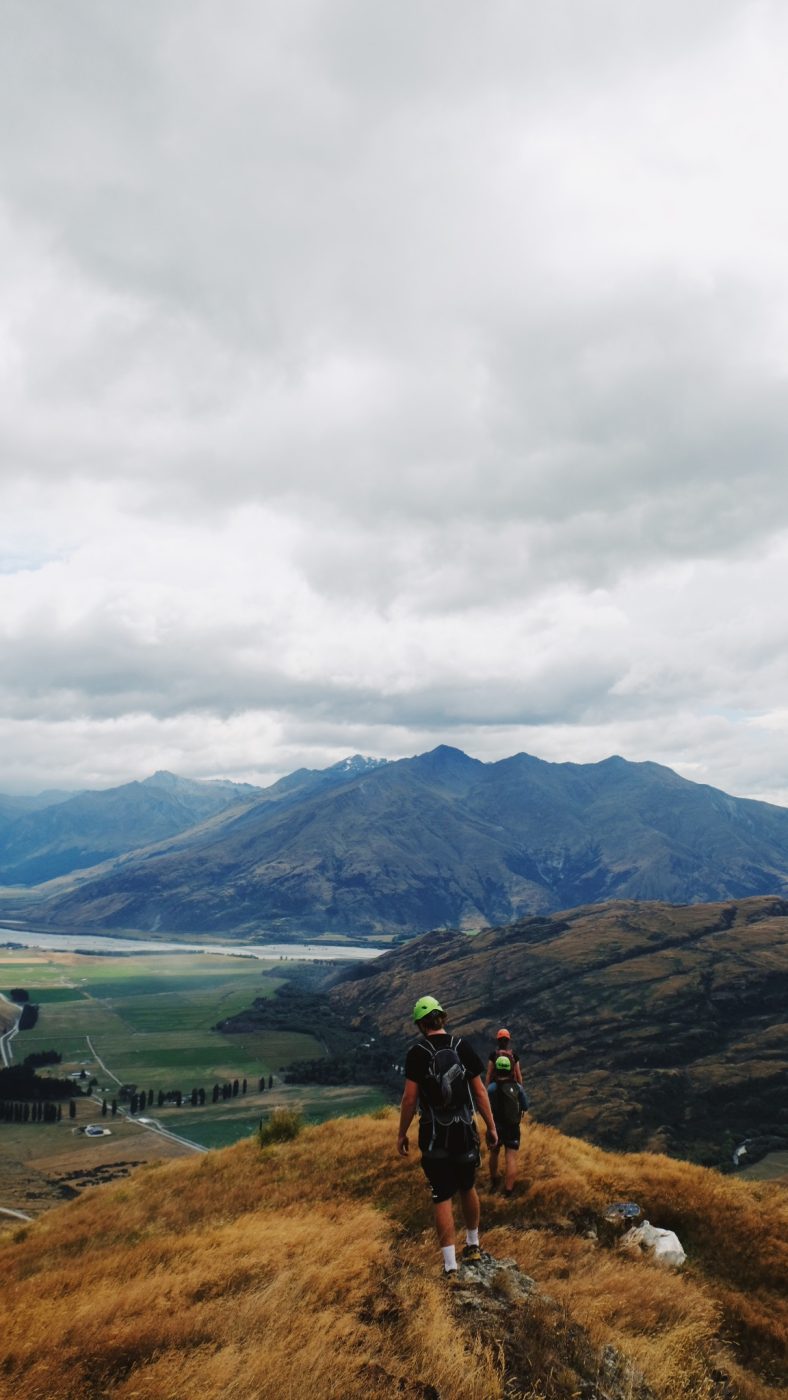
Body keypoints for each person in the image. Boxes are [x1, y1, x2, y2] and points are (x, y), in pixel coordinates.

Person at [397, 995, 498, 1277]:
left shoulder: (417, 1052)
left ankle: (450, 1266)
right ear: (442, 1017)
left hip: (433, 1134)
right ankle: (474, 1245)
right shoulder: (461, 1046)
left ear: (420, 1024)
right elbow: (479, 1092)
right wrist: (491, 1127)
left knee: (441, 1195)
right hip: (464, 1130)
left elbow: (409, 1099)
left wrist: (402, 1133)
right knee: (467, 1187)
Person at [487, 1053, 529, 1196]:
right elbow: (525, 1106)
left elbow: (486, 1106)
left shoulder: (491, 1088)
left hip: (496, 1126)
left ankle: (494, 1181)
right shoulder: (518, 1087)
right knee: (511, 1158)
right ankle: (508, 1191)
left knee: (494, 1153)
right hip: (512, 1127)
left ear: (497, 1069)